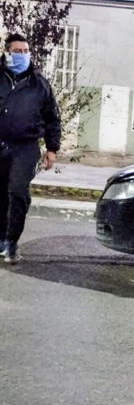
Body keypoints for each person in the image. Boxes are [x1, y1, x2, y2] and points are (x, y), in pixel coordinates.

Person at [0, 33, 61, 263]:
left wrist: (52, 148)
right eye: (18, 51)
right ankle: (2, 238)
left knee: (17, 191)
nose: (23, 55)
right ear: (7, 53)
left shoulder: (39, 85)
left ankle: (12, 241)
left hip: (26, 147)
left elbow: (52, 118)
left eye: (26, 51)